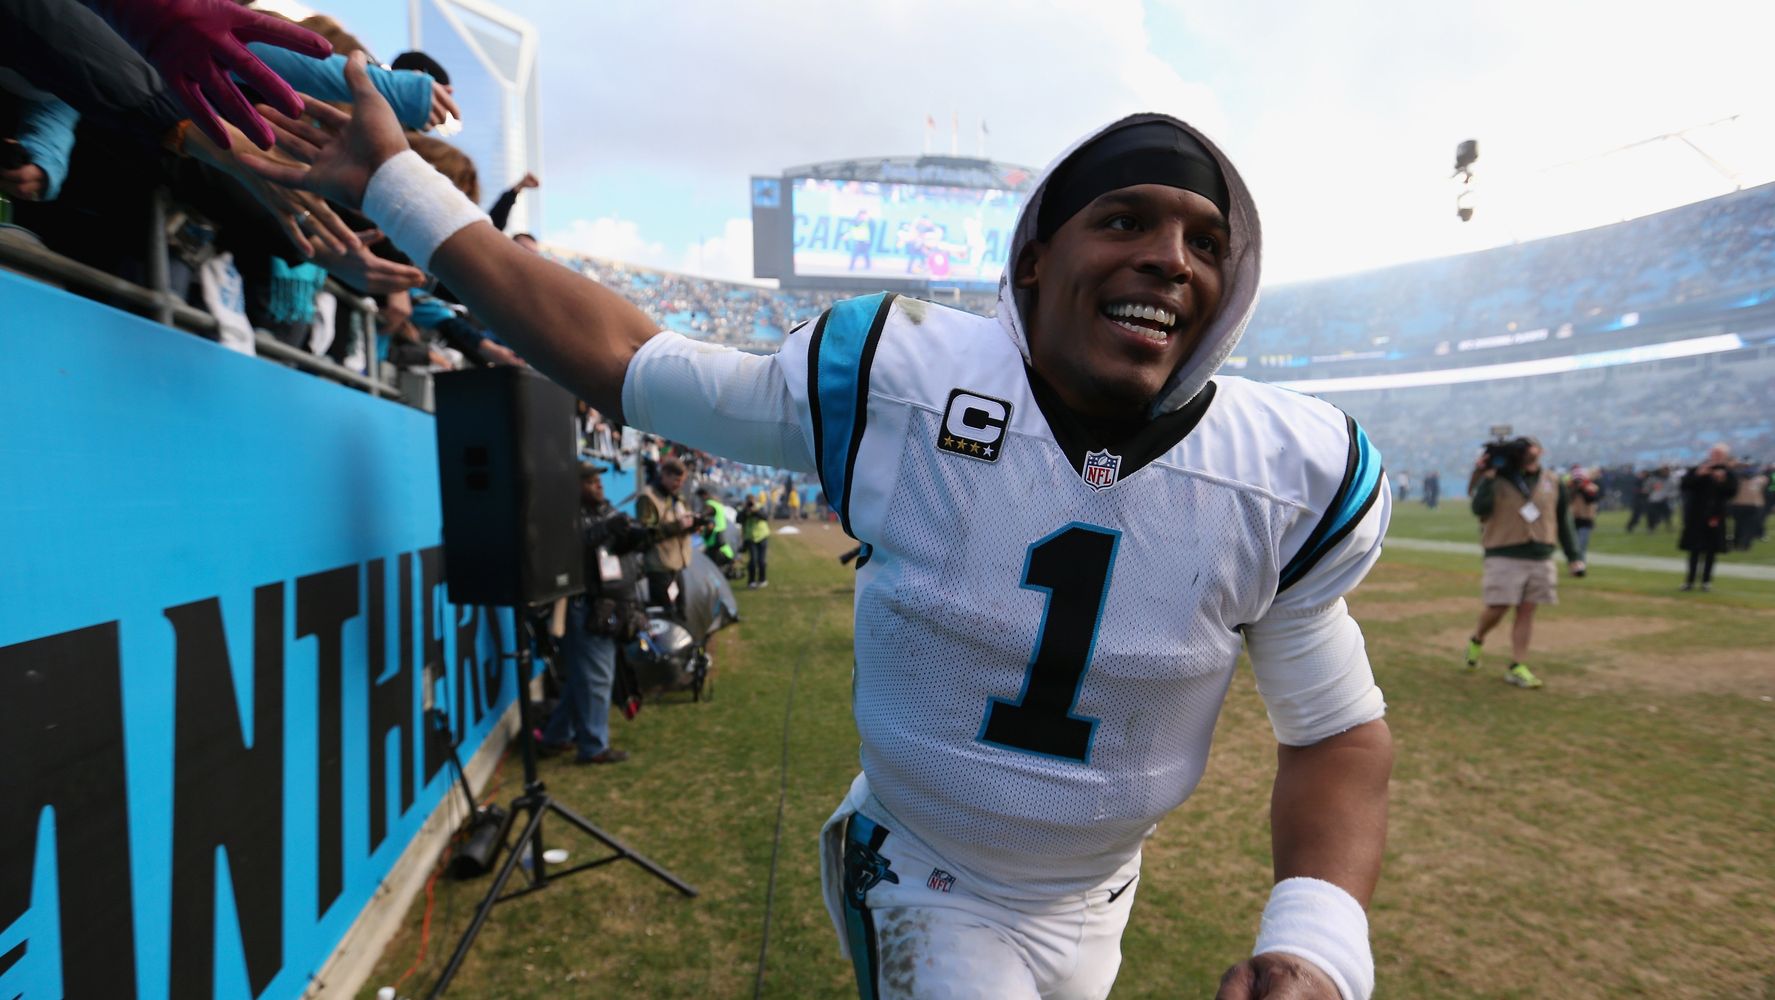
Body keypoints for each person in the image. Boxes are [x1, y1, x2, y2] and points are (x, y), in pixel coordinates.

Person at [254, 64, 1395, 999]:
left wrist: (1315, 943)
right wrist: (400, 185)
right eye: (1125, 219)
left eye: (1204, 240)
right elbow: (635, 366)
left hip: (1096, 888)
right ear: (1034, 258)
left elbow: (1336, 730)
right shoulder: (903, 382)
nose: (1167, 257)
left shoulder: (1279, 475)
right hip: (928, 874)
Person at [538, 464, 648, 764]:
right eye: (589, 481)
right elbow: (569, 548)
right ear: (573, 487)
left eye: (599, 480)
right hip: (584, 605)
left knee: (584, 680)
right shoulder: (564, 514)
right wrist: (605, 529)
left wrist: (636, 534)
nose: (598, 485)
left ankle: (556, 737)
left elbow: (619, 545)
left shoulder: (606, 510)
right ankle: (594, 747)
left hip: (610, 604)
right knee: (597, 679)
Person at [1464, 439, 1583, 689]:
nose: (1529, 451)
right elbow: (1478, 507)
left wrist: (1574, 557)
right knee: (1499, 606)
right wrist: (1486, 476)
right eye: (1523, 448)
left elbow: (1564, 519)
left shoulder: (1552, 480)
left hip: (1540, 554)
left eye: (1532, 446)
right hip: (1503, 551)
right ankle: (1478, 637)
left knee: (1527, 610)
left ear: (1542, 451)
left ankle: (1518, 665)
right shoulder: (1498, 478)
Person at [633, 456, 698, 615]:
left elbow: (681, 525)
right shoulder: (648, 498)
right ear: (664, 474)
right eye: (676, 480)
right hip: (659, 566)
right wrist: (678, 526)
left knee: (681, 611)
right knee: (665, 614)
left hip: (677, 564)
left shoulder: (675, 497)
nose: (679, 485)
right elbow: (646, 535)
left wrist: (694, 525)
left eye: (681, 481)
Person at [1679, 444, 1738, 591]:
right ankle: (1689, 581)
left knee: (1711, 550)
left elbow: (1731, 493)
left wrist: (1721, 480)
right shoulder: (1699, 468)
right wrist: (1699, 475)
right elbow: (1685, 486)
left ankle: (1706, 581)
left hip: (1715, 516)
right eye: (1714, 453)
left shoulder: (1728, 473)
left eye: (1719, 454)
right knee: (1694, 550)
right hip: (1696, 516)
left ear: (1724, 456)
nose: (1716, 456)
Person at [1725, 459, 1765, 552]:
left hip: (1745, 505)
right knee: (1742, 526)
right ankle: (1742, 544)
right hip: (1747, 504)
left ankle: (1741, 543)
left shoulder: (1739, 477)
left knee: (1743, 526)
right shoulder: (1760, 478)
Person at [1567, 466, 1601, 575]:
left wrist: (1582, 488)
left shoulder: (1591, 488)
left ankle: (1580, 567)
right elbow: (1567, 499)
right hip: (1572, 520)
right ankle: (1573, 566)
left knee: (1581, 545)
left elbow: (1591, 499)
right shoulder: (1570, 488)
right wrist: (1574, 488)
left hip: (1586, 520)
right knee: (1573, 545)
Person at [740, 496, 771, 589]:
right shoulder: (744, 509)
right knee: (753, 561)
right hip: (750, 537)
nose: (750, 503)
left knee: (761, 561)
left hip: (762, 536)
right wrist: (745, 511)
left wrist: (756, 511)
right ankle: (751, 581)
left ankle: (762, 579)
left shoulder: (760, 507)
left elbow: (765, 517)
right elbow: (738, 519)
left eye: (751, 501)